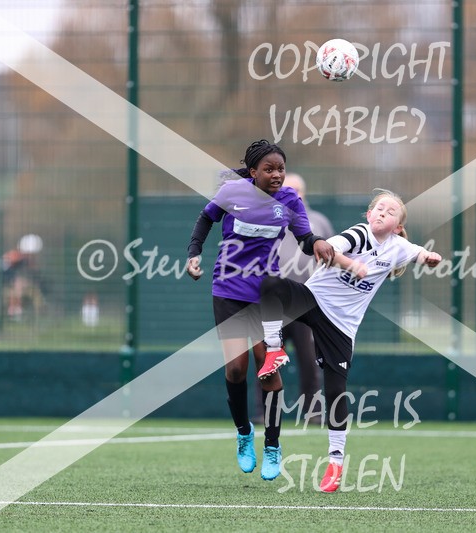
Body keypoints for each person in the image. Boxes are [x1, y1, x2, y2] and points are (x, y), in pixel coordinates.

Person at [259, 189, 442, 492]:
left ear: (397, 226)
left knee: (335, 390)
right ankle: (274, 350)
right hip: (313, 301)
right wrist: (351, 265)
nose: (382, 212)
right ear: (369, 215)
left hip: (342, 326)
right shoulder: (360, 234)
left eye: (390, 211)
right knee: (269, 284)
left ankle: (335, 463)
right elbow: (327, 248)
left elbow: (417, 252)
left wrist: (428, 258)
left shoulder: (397, 246)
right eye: (378, 208)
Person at [186, 140, 334, 481]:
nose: (277, 175)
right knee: (236, 370)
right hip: (227, 290)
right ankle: (243, 435)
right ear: (253, 173)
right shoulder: (232, 193)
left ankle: (272, 445)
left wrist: (319, 244)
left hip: (265, 295)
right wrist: (194, 253)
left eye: (280, 168)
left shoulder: (289, 201)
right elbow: (205, 220)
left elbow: (304, 238)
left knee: (266, 370)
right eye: (269, 169)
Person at [275, 173, 334, 421]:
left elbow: (332, 255)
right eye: (288, 189)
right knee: (268, 360)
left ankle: (313, 413)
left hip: (307, 302)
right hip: (274, 303)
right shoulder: (268, 219)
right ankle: (264, 412)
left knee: (310, 362)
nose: (293, 194)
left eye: (297, 190)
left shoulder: (318, 221)